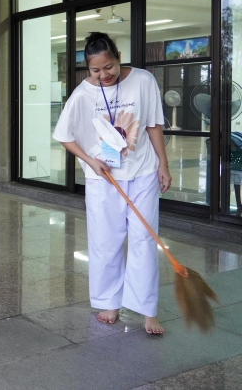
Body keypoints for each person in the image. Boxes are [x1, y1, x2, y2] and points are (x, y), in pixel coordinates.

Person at [52, 32, 172, 335]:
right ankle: (110, 303)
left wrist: (163, 165)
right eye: (96, 70)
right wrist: (91, 161)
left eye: (109, 67)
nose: (104, 75)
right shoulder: (82, 95)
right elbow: (64, 135)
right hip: (103, 178)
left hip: (143, 171)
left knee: (145, 239)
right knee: (106, 242)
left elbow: (153, 124)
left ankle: (147, 310)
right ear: (87, 68)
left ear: (118, 57)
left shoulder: (143, 80)